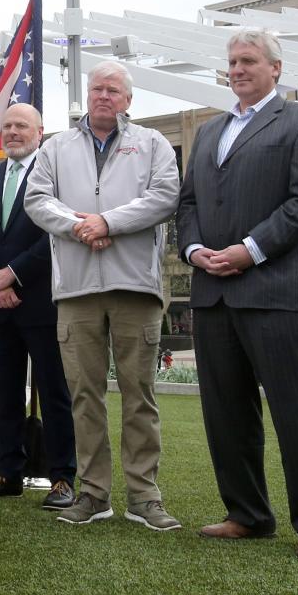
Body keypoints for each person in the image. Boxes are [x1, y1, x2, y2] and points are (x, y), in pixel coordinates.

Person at [177, 28, 298, 559]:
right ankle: (247, 514)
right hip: (214, 293)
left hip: (277, 290)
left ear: (276, 68)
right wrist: (195, 249)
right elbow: (187, 205)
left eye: (249, 60)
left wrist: (250, 250)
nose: (238, 69)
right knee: (226, 414)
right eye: (232, 62)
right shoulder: (209, 133)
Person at [23, 61, 181, 530]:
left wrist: (107, 221)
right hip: (75, 288)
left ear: (128, 100)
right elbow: (37, 199)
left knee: (140, 395)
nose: (103, 96)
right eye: (97, 89)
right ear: (86, 95)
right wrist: (79, 226)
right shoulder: (56, 147)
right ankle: (93, 493)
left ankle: (144, 497)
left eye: (113, 90)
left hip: (135, 285)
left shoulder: (151, 144)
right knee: (84, 396)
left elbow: (165, 196)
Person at [0, 104, 76, 510]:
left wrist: (12, 274)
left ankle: (63, 478)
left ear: (40, 132)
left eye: (21, 126)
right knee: (5, 395)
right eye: (8, 126)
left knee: (54, 392)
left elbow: (57, 235)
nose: (12, 132)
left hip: (43, 303)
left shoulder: (56, 178)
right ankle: (9, 471)